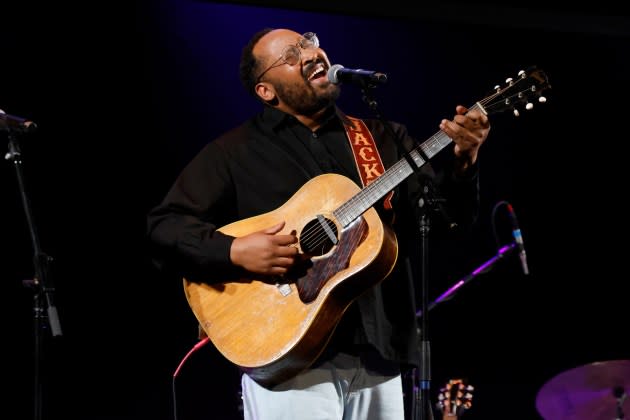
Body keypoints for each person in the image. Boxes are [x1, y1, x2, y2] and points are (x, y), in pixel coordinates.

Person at [146, 27, 490, 420]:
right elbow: (163, 228)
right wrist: (234, 250)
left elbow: (448, 221)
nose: (310, 54)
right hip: (287, 354)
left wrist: (465, 160)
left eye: (310, 43)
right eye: (291, 55)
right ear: (266, 91)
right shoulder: (233, 152)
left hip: (381, 350)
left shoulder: (381, 138)